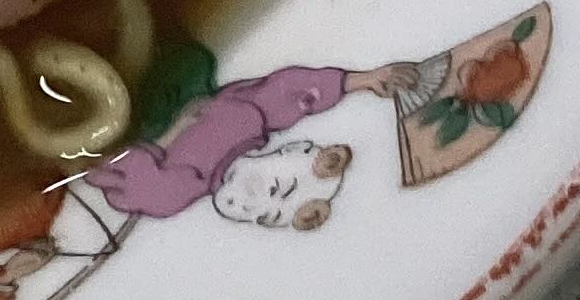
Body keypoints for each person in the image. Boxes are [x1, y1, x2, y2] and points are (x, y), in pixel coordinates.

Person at [82, 63, 420, 231]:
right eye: (281, 190)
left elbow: (99, 168)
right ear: (291, 152)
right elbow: (295, 90)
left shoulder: (176, 191)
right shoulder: (250, 120)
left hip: (128, 112)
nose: (262, 200)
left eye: (269, 214)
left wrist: (169, 135)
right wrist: (362, 80)